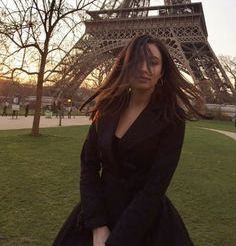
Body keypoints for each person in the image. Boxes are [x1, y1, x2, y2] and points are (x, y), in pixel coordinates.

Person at [53, 35, 204, 246]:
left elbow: (155, 187)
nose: (144, 68)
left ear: (162, 71)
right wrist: (97, 225)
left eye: (153, 62)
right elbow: (88, 166)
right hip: (100, 212)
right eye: (136, 61)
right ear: (125, 65)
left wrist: (116, 241)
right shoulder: (107, 108)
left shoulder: (172, 119)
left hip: (144, 221)